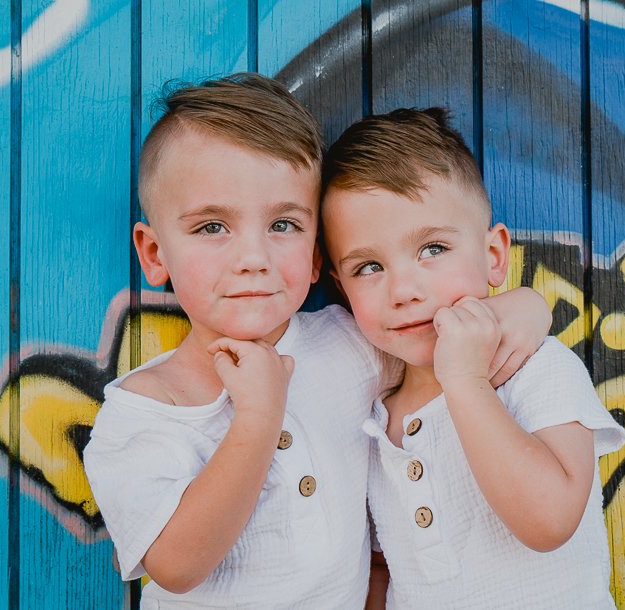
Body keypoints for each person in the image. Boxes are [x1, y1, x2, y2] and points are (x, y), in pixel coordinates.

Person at [82, 74, 550, 608]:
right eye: (212, 227)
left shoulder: (350, 347)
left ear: (315, 258)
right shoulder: (145, 409)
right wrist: (258, 417)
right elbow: (176, 565)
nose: (252, 257)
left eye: (283, 225)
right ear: (155, 253)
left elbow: (431, 334)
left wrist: (524, 306)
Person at [320, 107, 625, 609]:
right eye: (369, 266)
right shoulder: (372, 413)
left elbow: (550, 522)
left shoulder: (536, 369)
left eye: (433, 248)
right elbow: (380, 568)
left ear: (494, 256)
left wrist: (465, 382)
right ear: (340, 285)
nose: (404, 289)